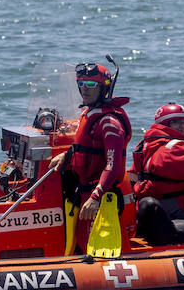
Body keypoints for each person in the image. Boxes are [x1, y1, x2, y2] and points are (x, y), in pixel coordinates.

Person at [52, 61, 131, 252]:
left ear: (103, 88)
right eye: (81, 84)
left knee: (97, 249)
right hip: (85, 192)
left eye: (90, 85)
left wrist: (96, 197)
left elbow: (113, 166)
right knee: (80, 244)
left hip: (103, 198)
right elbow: (86, 147)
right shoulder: (88, 114)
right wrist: (67, 155)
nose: (84, 90)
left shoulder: (110, 122)